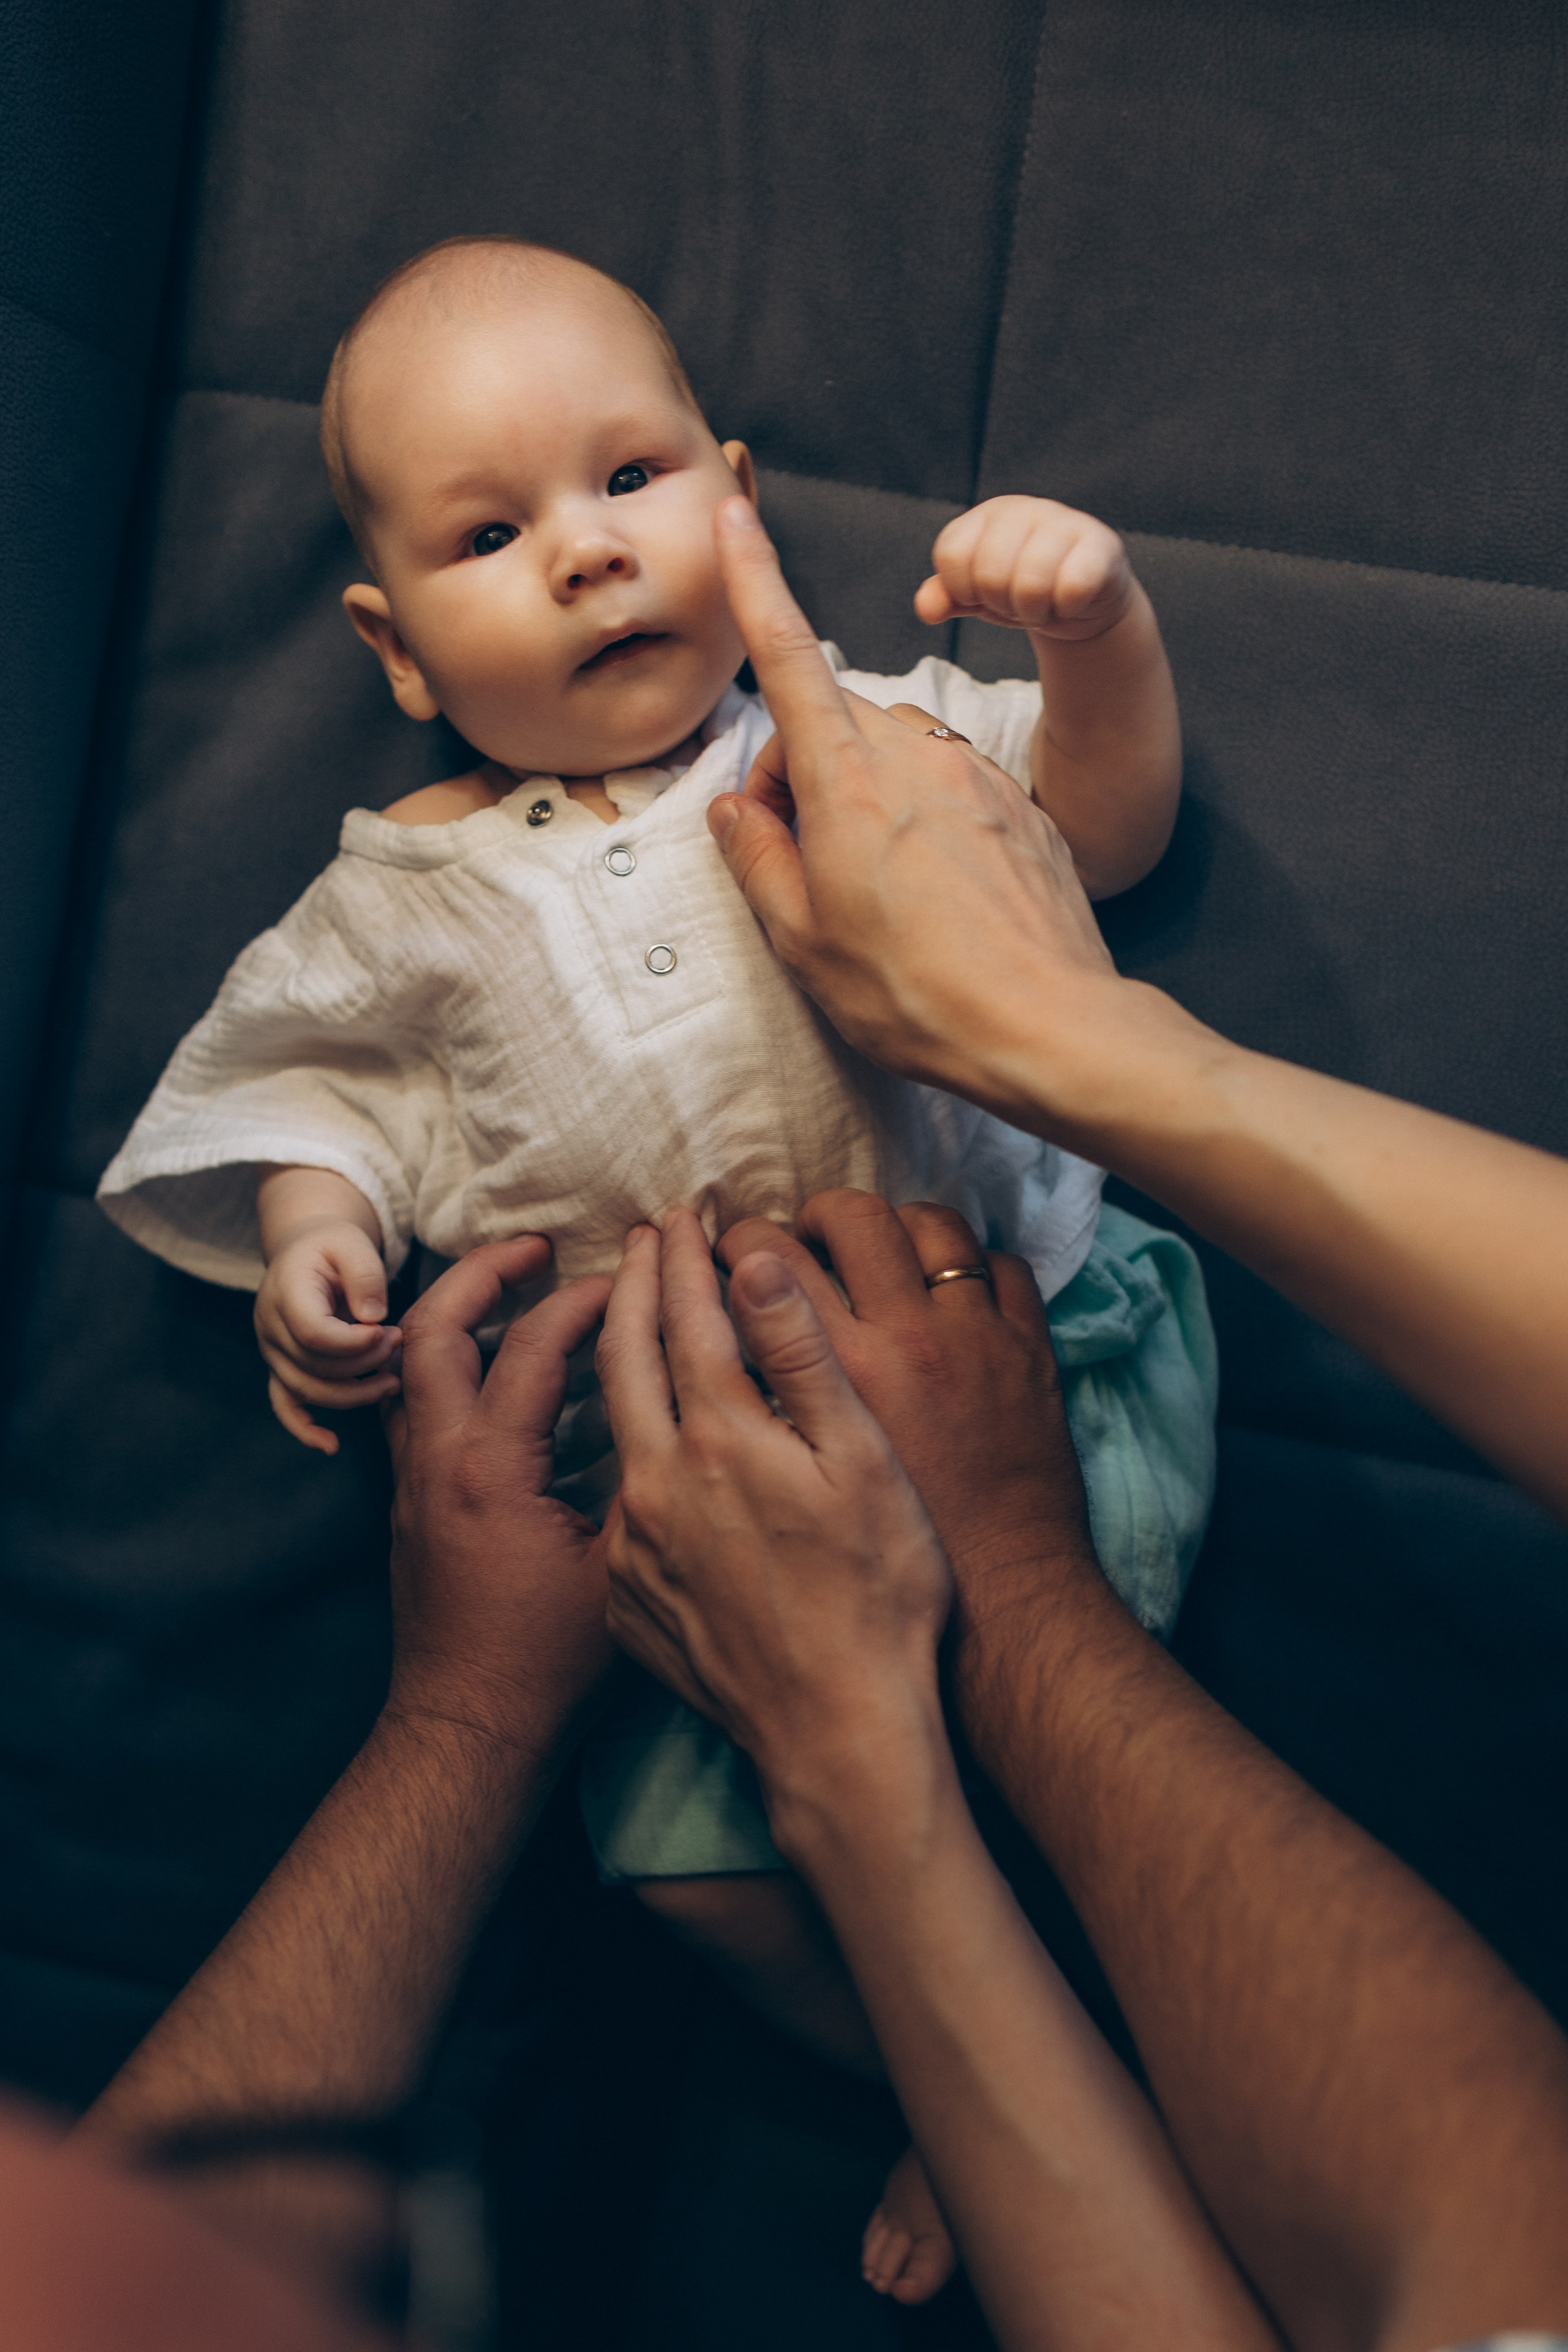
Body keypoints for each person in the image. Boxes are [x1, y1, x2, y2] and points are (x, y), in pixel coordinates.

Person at [91, 231, 1221, 2272]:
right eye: (492, 532)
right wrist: (312, 1234)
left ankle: (1096, 2056)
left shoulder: (857, 728)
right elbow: (297, 1096)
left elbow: (1101, 833)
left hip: (1029, 1353)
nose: (590, 556)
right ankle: (943, 2076)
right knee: (693, 1876)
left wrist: (1098, 638)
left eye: (631, 481)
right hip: (706, 1492)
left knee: (1086, 1769)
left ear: (741, 500)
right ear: (397, 648)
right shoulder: (394, 903)